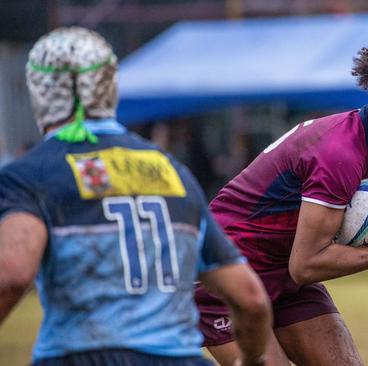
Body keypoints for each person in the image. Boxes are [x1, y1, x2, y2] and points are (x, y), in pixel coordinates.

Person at [195, 23, 368, 365]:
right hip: (226, 274)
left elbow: (327, 249)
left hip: (285, 274)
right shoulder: (337, 154)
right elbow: (307, 264)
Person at [0, 27, 271, 366]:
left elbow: (11, 274)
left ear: (39, 92)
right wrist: (252, 359)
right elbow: (251, 299)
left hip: (80, 356)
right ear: (111, 86)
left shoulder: (30, 173)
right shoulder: (171, 171)